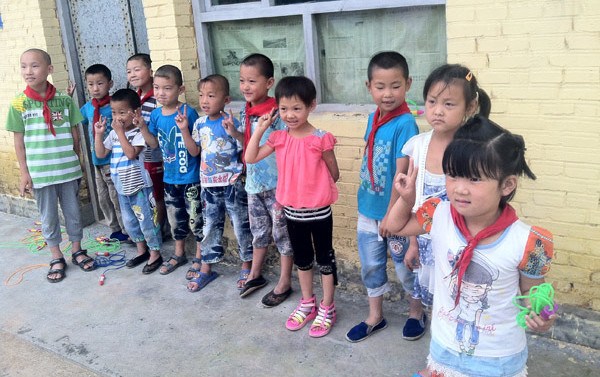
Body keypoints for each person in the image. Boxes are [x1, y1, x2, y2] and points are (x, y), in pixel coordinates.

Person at [388, 115, 556, 377]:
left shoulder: (529, 242)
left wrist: (543, 317)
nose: (460, 189)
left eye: (474, 179)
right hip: (444, 352)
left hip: (498, 363)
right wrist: (406, 198)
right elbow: (395, 226)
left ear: (507, 184)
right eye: (453, 175)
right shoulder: (438, 213)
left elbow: (533, 298)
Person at [245, 76, 340, 337]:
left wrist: (313, 184)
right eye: (284, 109)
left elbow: (335, 173)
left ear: (311, 106)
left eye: (297, 108)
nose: (290, 115)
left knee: (324, 259)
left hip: (319, 211)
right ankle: (308, 302)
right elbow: (250, 157)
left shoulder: (321, 138)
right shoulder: (278, 138)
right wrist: (260, 129)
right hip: (292, 212)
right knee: (302, 260)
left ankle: (327, 306)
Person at [399, 64, 491, 312]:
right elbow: (412, 200)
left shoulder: (475, 151)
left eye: (449, 104)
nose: (438, 111)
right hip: (425, 243)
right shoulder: (416, 147)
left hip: (461, 248)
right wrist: (413, 244)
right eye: (431, 102)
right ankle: (423, 325)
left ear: (470, 107)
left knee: (461, 304)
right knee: (432, 301)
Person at [345, 51, 420, 343]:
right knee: (371, 266)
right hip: (368, 209)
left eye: (395, 86)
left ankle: (416, 312)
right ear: (369, 87)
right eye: (380, 86)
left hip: (395, 214)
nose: (388, 94)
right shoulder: (373, 117)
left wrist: (391, 215)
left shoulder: (406, 124)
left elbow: (402, 175)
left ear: (408, 84)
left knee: (405, 268)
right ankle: (375, 316)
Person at [5, 48, 95, 282]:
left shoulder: (64, 101)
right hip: (40, 174)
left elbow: (75, 133)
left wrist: (79, 161)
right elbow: (19, 140)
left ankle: (77, 250)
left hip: (67, 170)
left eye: (34, 65)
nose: (28, 71)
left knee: (74, 214)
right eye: (24, 66)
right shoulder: (19, 104)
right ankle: (56, 256)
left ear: (49, 69)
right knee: (49, 217)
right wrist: (24, 172)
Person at [176, 74, 253, 292]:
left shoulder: (231, 120)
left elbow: (244, 147)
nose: (205, 100)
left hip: (232, 183)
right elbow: (194, 152)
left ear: (226, 99)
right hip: (208, 185)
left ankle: (246, 266)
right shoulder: (199, 123)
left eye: (211, 95)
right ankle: (207, 268)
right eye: (201, 95)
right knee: (209, 227)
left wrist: (234, 132)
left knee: (240, 225)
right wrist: (183, 130)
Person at [234, 53, 294, 305]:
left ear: (269, 83)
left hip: (276, 185)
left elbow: (286, 145)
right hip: (253, 183)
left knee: (282, 235)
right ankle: (256, 274)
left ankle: (285, 282)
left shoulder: (276, 113)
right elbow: (250, 144)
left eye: (252, 81)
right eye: (242, 81)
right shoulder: (245, 111)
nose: (246, 87)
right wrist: (235, 134)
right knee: (258, 231)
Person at [137, 64, 202, 277]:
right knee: (176, 220)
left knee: (196, 219)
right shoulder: (155, 115)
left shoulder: (188, 112)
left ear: (180, 89)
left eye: (167, 88)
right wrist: (142, 127)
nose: (161, 93)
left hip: (191, 177)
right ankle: (179, 253)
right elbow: (153, 144)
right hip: (169, 177)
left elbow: (195, 146)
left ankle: (201, 257)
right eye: (157, 88)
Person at [94, 88, 163, 274]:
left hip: (139, 186)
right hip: (121, 187)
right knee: (131, 222)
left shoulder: (140, 132)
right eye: (114, 113)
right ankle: (141, 250)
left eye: (122, 112)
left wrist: (120, 133)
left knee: (147, 221)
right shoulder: (115, 133)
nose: (118, 118)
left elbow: (131, 154)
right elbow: (101, 154)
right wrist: (99, 134)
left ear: (136, 112)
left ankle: (155, 253)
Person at [79, 63, 130, 243]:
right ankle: (114, 227)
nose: (95, 88)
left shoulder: (113, 107)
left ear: (110, 84)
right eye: (91, 84)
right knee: (103, 197)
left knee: (116, 196)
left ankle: (126, 229)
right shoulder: (87, 107)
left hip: (112, 160)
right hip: (96, 160)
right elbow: (77, 120)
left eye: (100, 83)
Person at [126, 53, 169, 241]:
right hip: (139, 156)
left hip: (156, 154)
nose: (133, 74)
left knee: (157, 195)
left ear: (150, 71)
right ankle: (148, 230)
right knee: (146, 194)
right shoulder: (133, 97)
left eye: (137, 69)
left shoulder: (158, 98)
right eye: (129, 71)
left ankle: (159, 231)